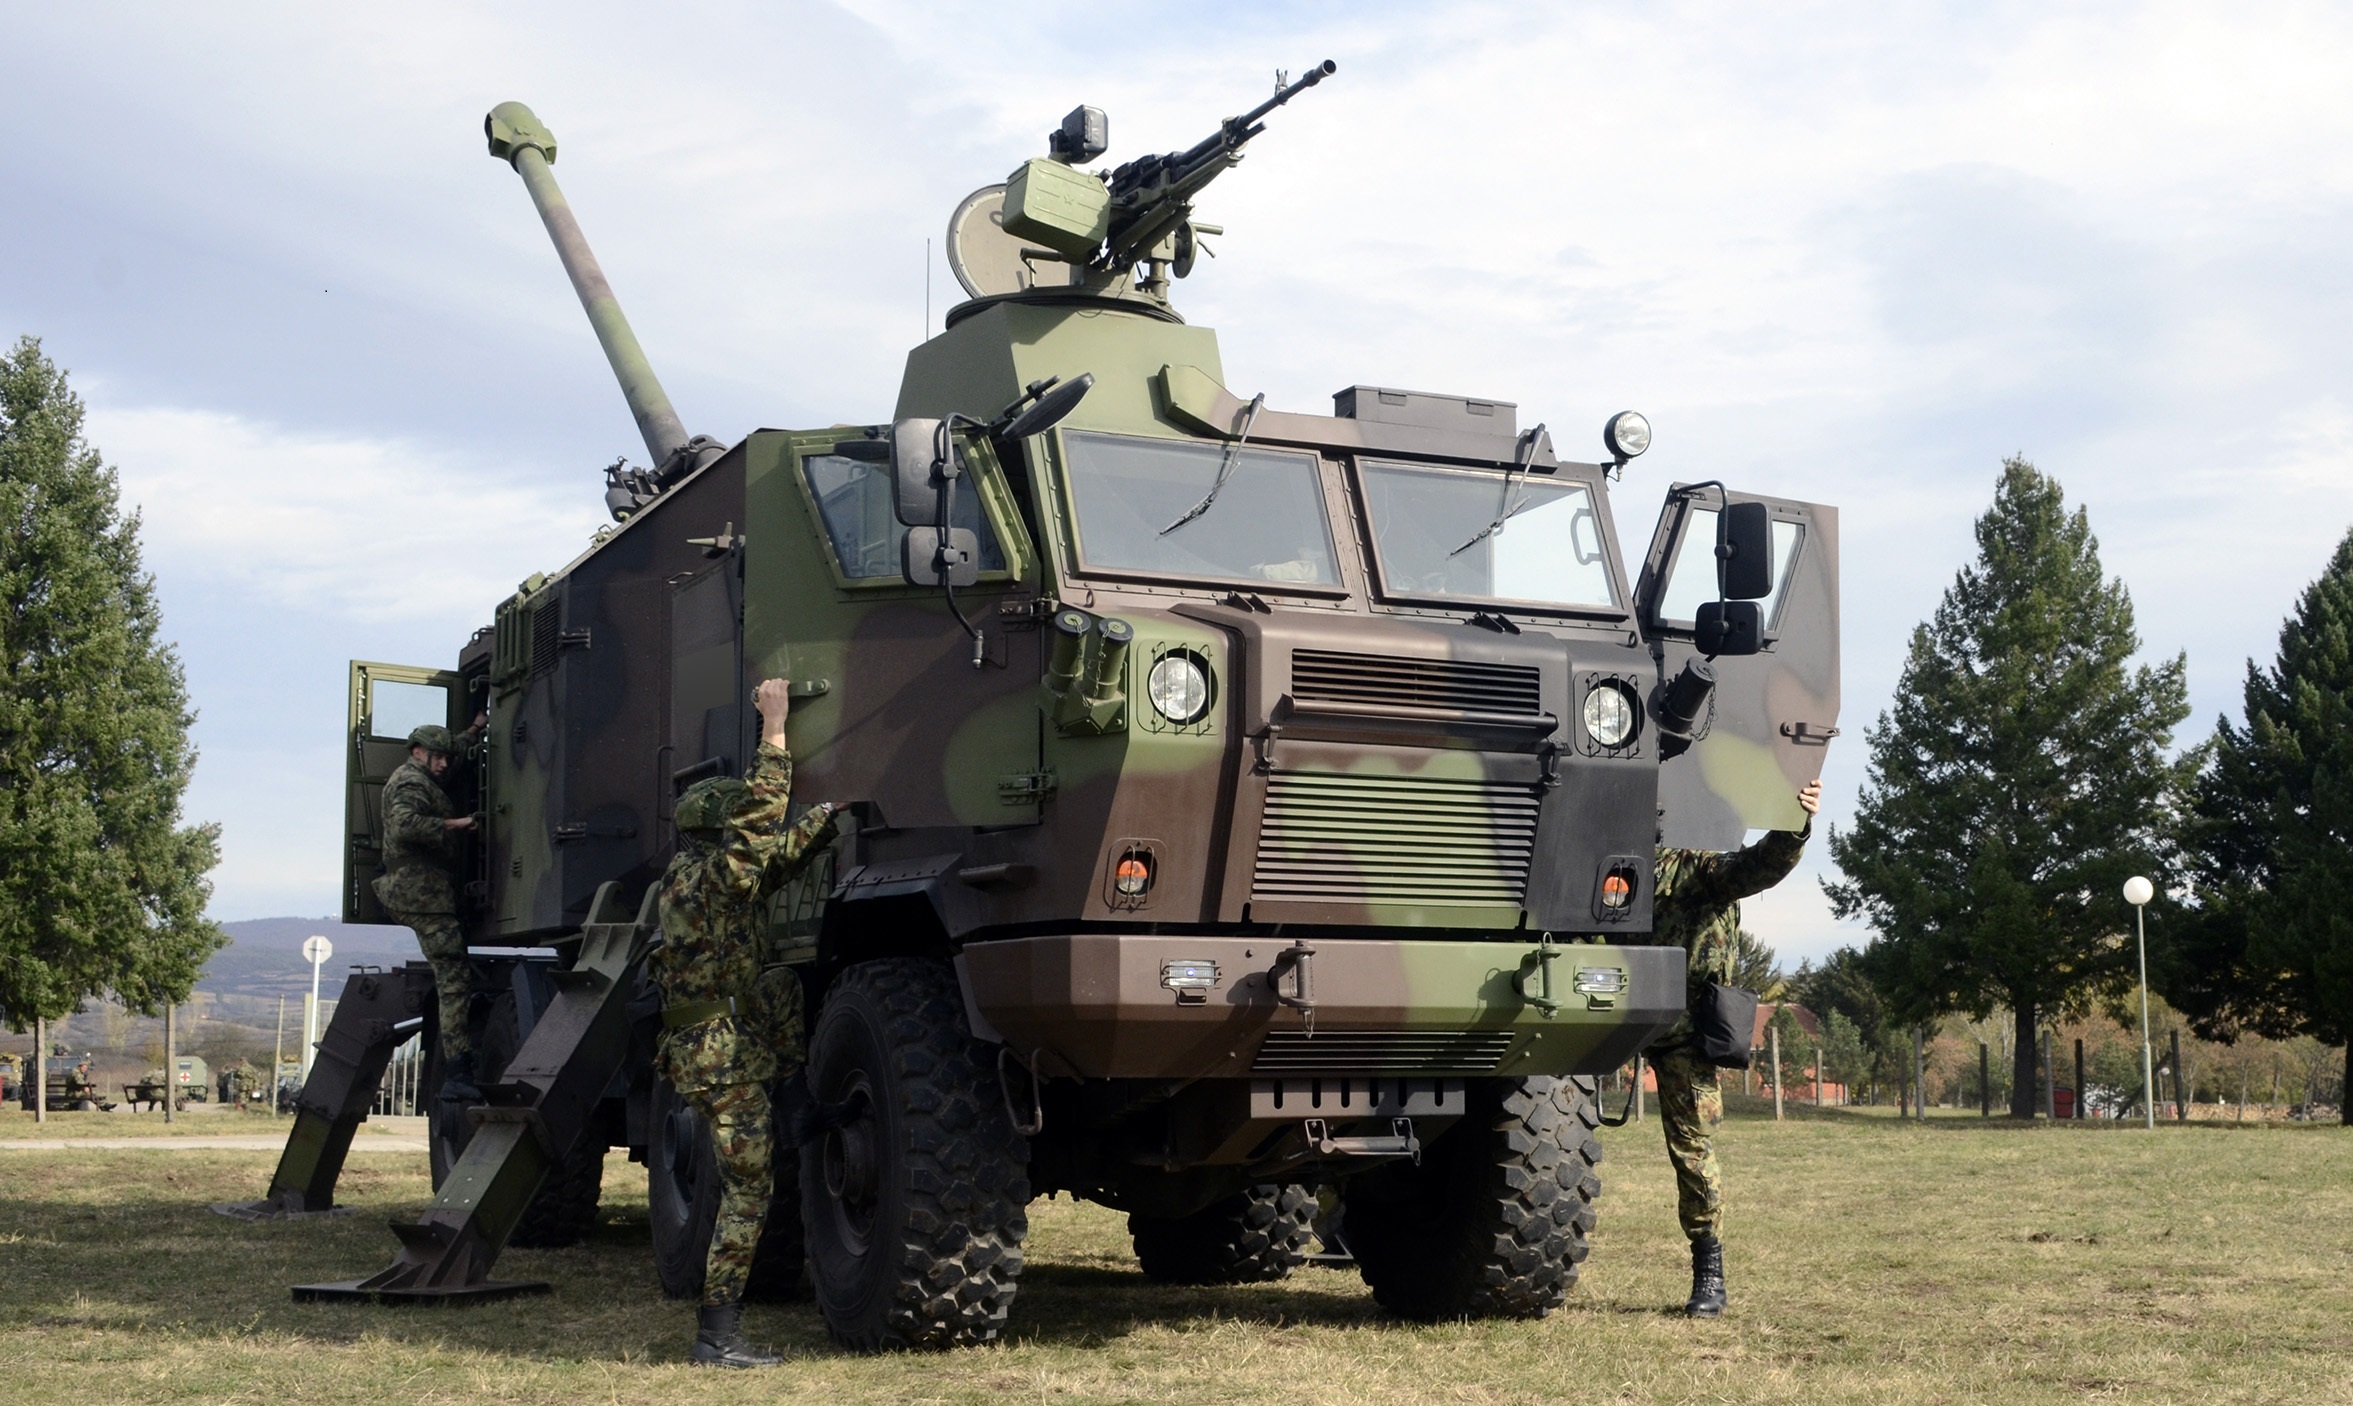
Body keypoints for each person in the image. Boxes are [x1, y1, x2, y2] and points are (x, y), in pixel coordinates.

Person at [650, 676, 840, 1369]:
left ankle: (795, 1104)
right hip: (718, 1055)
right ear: (719, 830)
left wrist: (828, 817)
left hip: (708, 1047)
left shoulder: (686, 877)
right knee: (749, 1190)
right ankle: (717, 1336)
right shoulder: (717, 877)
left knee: (781, 984)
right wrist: (776, 729)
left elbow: (772, 860)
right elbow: (763, 829)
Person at [1646, 777, 1821, 1319]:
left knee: (1692, 1150)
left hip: (1681, 1028)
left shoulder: (1687, 866)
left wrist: (1795, 823)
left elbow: (1754, 867)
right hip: (1594, 1013)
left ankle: (1709, 1271)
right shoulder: (1591, 863)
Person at [375, 717, 487, 1102]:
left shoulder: (424, 774)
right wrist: (457, 823)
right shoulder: (411, 782)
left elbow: (450, 752)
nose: (443, 764)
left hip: (425, 893)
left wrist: (472, 730)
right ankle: (457, 1071)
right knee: (453, 977)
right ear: (417, 753)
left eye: (446, 757)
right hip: (421, 895)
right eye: (436, 757)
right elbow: (405, 825)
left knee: (454, 973)